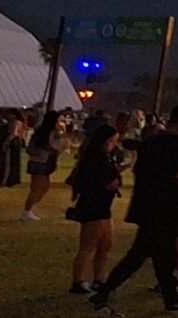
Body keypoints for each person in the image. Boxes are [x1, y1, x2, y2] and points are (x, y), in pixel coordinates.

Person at [88, 103, 178, 314]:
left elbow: (141, 171)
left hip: (148, 207)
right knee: (143, 255)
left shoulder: (152, 142)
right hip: (165, 209)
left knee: (160, 255)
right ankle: (104, 292)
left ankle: (172, 298)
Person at [67, 123, 124, 295]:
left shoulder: (105, 157)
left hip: (104, 206)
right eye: (113, 141)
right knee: (88, 246)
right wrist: (109, 185)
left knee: (106, 245)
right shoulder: (94, 159)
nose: (115, 144)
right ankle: (77, 282)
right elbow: (91, 183)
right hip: (94, 206)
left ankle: (99, 280)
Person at [24, 110, 65, 221]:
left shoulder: (49, 131)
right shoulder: (44, 132)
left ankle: (30, 209)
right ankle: (27, 211)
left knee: (44, 187)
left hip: (44, 162)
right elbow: (46, 147)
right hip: (39, 162)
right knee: (37, 188)